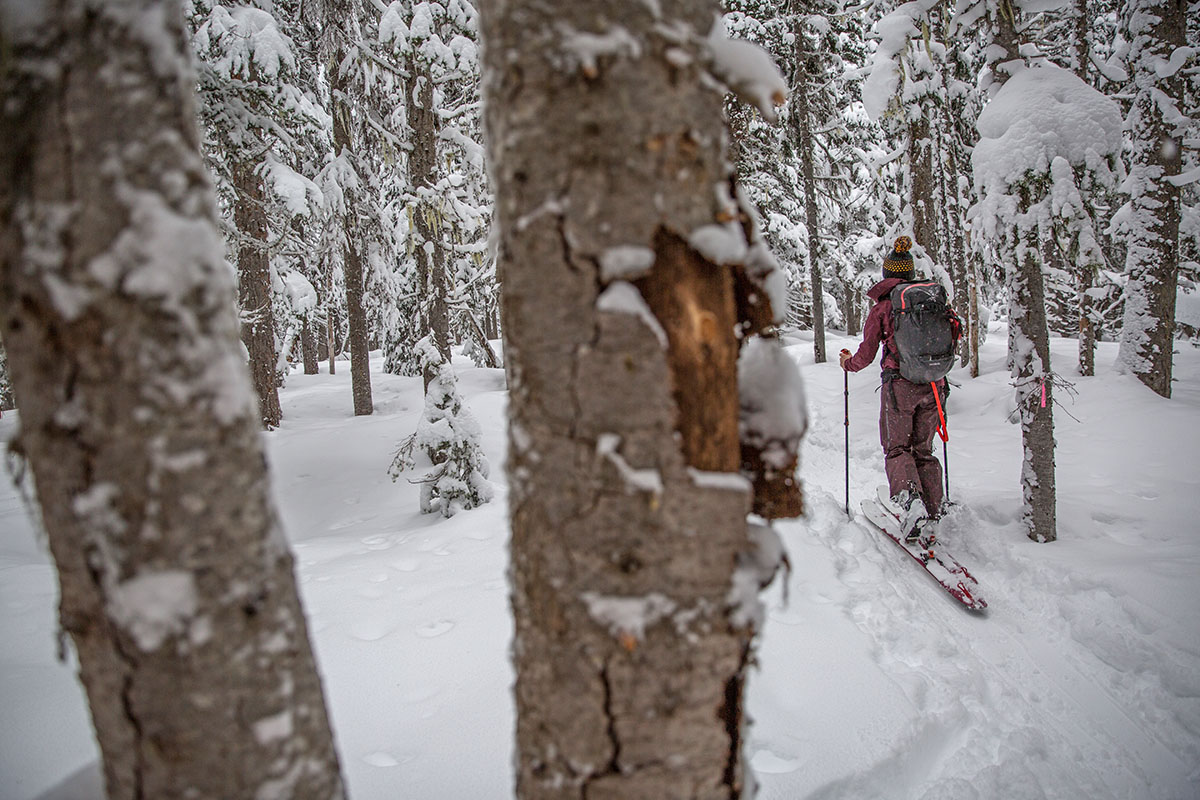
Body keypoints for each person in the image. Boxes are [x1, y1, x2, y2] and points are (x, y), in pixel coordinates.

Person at [840, 236, 947, 538]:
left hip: (901, 386)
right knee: (923, 449)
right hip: (935, 386)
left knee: (898, 448)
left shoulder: (883, 308)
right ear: (911, 273)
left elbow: (866, 354)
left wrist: (848, 364)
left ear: (887, 275)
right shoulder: (931, 301)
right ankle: (935, 508)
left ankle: (912, 505)